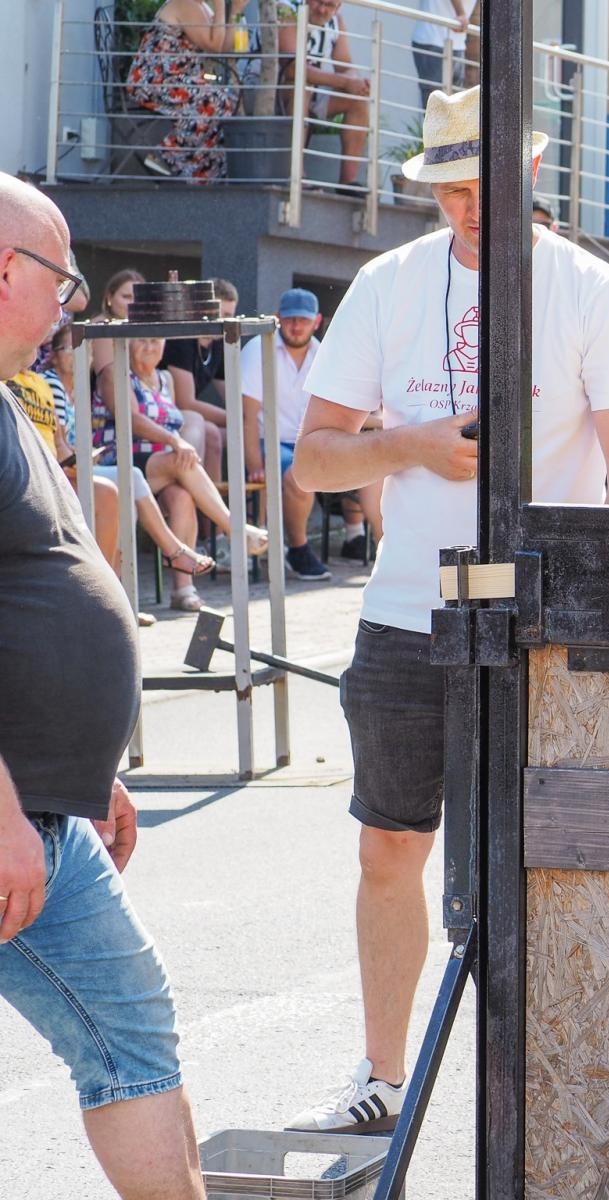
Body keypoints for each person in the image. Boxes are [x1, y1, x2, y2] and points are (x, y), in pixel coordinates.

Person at [286, 85, 609, 1133]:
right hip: (409, 607)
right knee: (389, 843)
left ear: (526, 171)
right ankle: (384, 1076)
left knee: (554, 854)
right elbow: (313, 456)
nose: (465, 204)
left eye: (481, 180)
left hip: (544, 608)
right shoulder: (389, 283)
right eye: (447, 186)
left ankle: (558, 1079)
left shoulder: (588, 288)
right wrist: (409, 445)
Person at [0, 170, 208, 1200]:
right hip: (10, 812)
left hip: (42, 800)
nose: (71, 301)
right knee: (128, 1037)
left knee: (132, 1033)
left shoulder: (5, 400)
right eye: (61, 276)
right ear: (5, 271)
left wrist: (81, 768)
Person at [98, 335, 266, 610]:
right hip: (121, 457)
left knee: (182, 497)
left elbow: (173, 422)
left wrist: (174, 443)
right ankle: (234, 528)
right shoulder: (116, 374)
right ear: (128, 344)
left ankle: (183, 589)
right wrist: (174, 442)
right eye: (142, 341)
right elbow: (132, 420)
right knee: (180, 461)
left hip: (158, 466)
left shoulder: (166, 378)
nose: (150, 347)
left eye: (156, 341)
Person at [238, 286, 383, 579]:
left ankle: (383, 549)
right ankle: (299, 550)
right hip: (273, 443)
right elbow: (247, 416)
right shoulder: (257, 349)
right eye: (290, 319)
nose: (295, 326)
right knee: (299, 476)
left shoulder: (325, 352)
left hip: (316, 438)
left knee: (373, 470)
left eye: (303, 320)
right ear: (278, 318)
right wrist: (253, 464)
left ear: (316, 321)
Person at [125, 0, 246, 182]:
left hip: (181, 79)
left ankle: (206, 176)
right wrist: (221, 5)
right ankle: (167, 157)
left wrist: (235, 11)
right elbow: (213, 46)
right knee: (214, 100)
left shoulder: (202, 7)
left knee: (225, 101)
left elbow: (223, 47)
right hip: (155, 79)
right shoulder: (185, 4)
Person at [273, 0, 371, 193]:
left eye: (330, 5)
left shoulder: (336, 22)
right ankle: (297, 175)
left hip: (310, 93)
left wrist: (357, 83)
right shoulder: (286, 9)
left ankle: (348, 183)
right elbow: (292, 69)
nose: (322, 9)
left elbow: (345, 67)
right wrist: (345, 82)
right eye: (318, 2)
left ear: (339, 6)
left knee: (359, 99)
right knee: (302, 87)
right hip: (268, 91)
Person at [160, 277, 237, 485]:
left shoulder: (218, 341)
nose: (223, 322)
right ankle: (210, 512)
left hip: (186, 419)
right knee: (212, 432)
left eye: (229, 316)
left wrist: (251, 418)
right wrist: (237, 419)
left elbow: (232, 395)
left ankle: (221, 509)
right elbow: (186, 402)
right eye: (218, 315)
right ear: (201, 310)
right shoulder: (183, 339)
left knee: (246, 435)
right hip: (159, 415)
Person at [87, 269, 144, 384]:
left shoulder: (142, 329)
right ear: (109, 298)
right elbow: (109, 378)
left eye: (138, 297)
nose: (132, 303)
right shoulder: (101, 327)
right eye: (126, 297)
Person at [411, 0, 470, 109]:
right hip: (432, 40)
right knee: (436, 109)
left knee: (454, 110)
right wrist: (461, 13)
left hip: (457, 44)